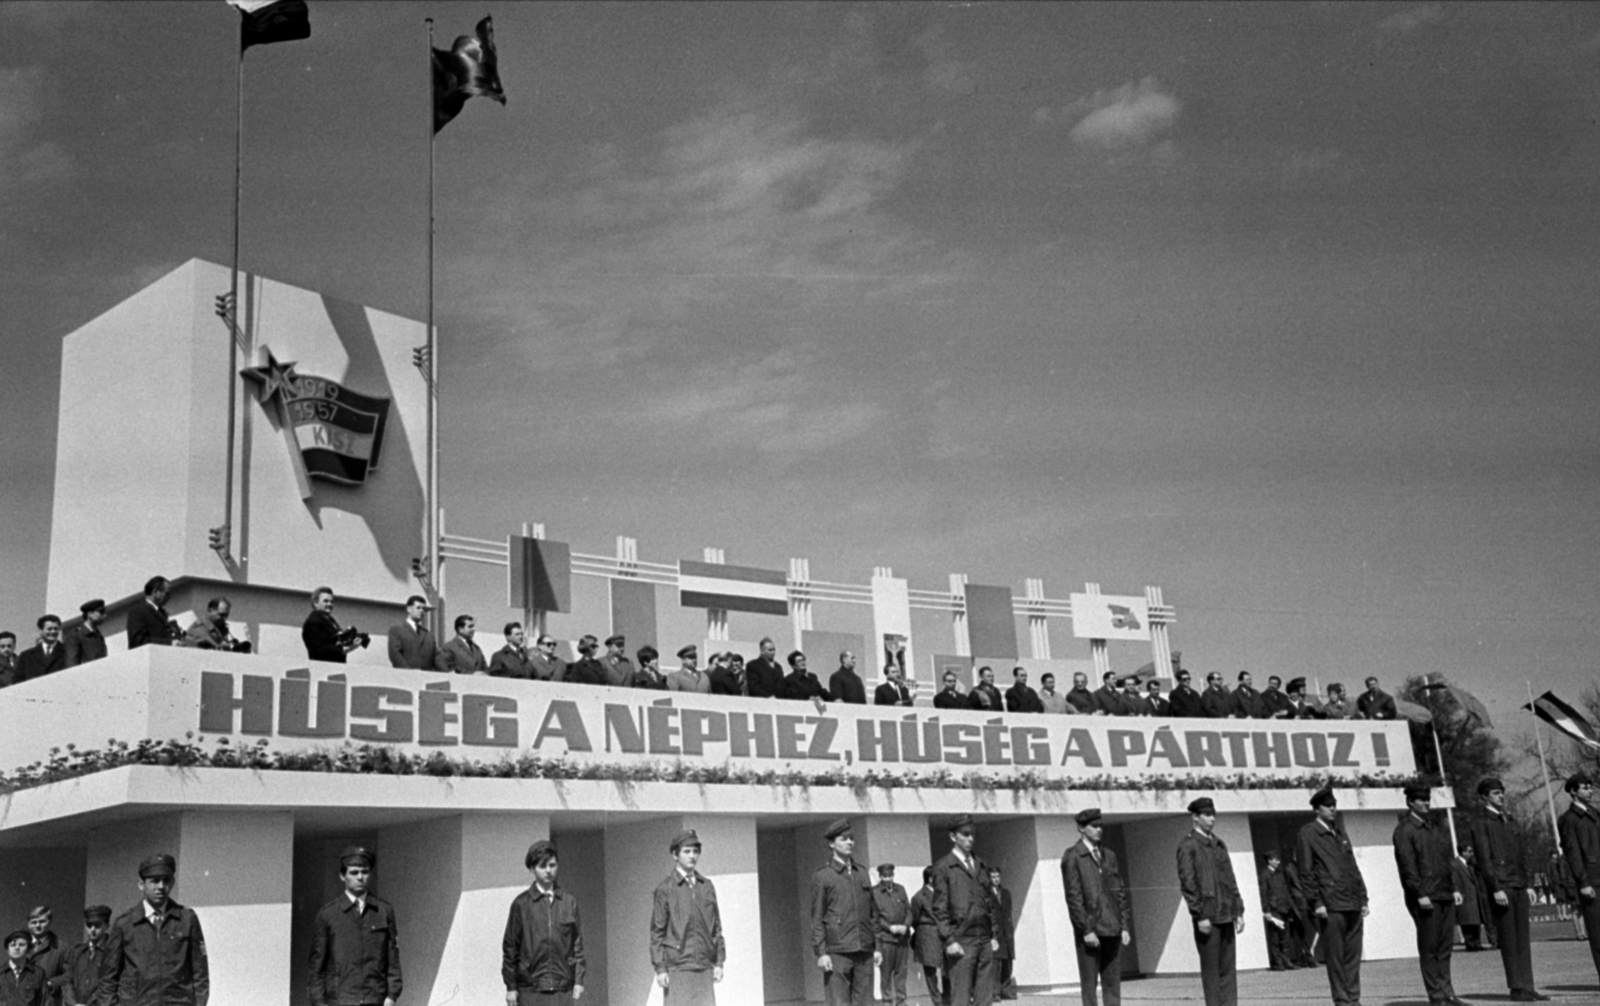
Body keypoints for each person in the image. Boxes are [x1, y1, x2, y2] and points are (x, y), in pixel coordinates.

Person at [96, 854, 209, 1006]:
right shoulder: (125, 923)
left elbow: (200, 972)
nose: (161, 886)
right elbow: (107, 978)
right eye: (154, 881)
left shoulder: (187, 919)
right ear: (141, 885)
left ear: (173, 882)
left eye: (166, 880)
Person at [1469, 777, 1544, 1002]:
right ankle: (1517, 987)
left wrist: (1528, 883)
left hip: (1518, 884)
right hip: (1502, 887)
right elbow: (1484, 858)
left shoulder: (1510, 821)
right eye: (1495, 793)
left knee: (1523, 938)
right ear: (1484, 797)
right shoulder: (1481, 823)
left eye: (1501, 792)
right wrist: (1496, 887)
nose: (1501, 796)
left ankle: (1528, 985)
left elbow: (1522, 855)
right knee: (1509, 939)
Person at [1393, 785, 1465, 1006]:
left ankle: (1448, 991)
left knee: (1445, 947)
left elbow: (1445, 862)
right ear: (1410, 802)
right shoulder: (1405, 830)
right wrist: (1420, 893)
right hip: (1426, 896)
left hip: (1443, 893)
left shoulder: (1434, 829)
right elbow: (1408, 866)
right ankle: (1436, 995)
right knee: (1430, 947)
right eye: (1421, 799)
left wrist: (1453, 888)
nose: (1426, 803)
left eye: (1427, 799)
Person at [1298, 787, 1368, 1006]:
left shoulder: (1339, 833)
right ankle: (1342, 1000)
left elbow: (1352, 867)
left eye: (1334, 805)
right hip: (1331, 904)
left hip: (1352, 902)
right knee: (1336, 957)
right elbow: (1306, 872)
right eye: (1328, 806)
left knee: (1353, 956)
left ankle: (1353, 998)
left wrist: (1363, 897)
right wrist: (1316, 902)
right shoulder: (1308, 834)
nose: (1333, 809)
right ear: (1317, 809)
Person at [308, 846, 401, 1006]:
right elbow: (317, 966)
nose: (360, 877)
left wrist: (392, 995)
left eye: (364, 872)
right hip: (340, 1000)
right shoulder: (328, 914)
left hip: (375, 999)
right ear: (342, 876)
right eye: (354, 872)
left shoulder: (383, 911)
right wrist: (319, 1003)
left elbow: (392, 958)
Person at [1177, 797, 1244, 1006]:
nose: (1212, 819)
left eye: (1213, 814)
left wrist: (1238, 910)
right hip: (1208, 916)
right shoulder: (1188, 845)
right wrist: (1199, 914)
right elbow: (1188, 883)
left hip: (1226, 913)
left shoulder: (1218, 843)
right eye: (1207, 815)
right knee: (1211, 972)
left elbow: (1230, 879)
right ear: (1195, 817)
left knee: (1228, 970)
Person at [502, 839, 585, 1005]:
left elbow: (577, 945)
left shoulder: (569, 902)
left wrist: (578, 981)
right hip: (531, 989)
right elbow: (510, 947)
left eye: (552, 865)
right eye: (542, 866)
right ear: (532, 869)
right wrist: (511, 986)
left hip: (563, 988)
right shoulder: (521, 904)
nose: (548, 870)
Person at [1061, 807, 1130, 1006]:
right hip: (1091, 931)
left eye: (1101, 826)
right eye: (1094, 826)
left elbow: (1120, 892)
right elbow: (1073, 898)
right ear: (1081, 828)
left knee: (1112, 984)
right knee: (1090, 986)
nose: (1099, 830)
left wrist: (1124, 925)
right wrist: (1086, 929)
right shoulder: (1073, 856)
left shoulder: (1109, 856)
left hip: (1112, 928)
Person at [650, 829, 724, 1005]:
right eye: (687, 851)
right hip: (678, 967)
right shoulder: (665, 889)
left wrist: (719, 962)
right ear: (675, 855)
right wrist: (661, 968)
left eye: (695, 851)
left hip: (704, 967)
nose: (692, 856)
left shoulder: (706, 886)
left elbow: (716, 928)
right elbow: (657, 933)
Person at [810, 820, 880, 1005]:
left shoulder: (862, 873)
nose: (849, 843)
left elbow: (873, 913)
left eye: (851, 839)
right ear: (832, 844)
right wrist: (821, 952)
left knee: (866, 1002)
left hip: (864, 950)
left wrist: (877, 946)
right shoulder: (823, 876)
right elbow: (817, 918)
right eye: (843, 839)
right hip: (838, 951)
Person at [931, 814, 997, 1006]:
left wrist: (993, 934)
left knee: (985, 998)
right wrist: (949, 940)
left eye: (972, 835)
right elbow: (939, 908)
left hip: (983, 938)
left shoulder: (980, 864)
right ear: (953, 837)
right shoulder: (944, 867)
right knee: (960, 997)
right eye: (965, 835)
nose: (970, 839)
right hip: (961, 940)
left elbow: (988, 901)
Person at [1557, 772, 1600, 983]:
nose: (1590, 791)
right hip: (1592, 882)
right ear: (1573, 791)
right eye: (1585, 787)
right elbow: (1572, 853)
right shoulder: (1569, 820)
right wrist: (1583, 882)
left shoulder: (1595, 814)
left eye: (1591, 787)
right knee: (1598, 932)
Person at [872, 864, 912, 1006]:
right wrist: (890, 927)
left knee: (901, 973)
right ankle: (887, 1001)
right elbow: (875, 917)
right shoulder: (875, 892)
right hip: (886, 940)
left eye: (890, 875)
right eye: (885, 876)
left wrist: (905, 926)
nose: (888, 879)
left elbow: (909, 910)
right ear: (880, 876)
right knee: (886, 973)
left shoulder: (900, 889)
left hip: (901, 939)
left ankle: (901, 1001)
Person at [908, 868, 949, 1006]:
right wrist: (925, 930)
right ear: (930, 879)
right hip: (928, 935)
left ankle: (948, 997)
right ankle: (937, 1000)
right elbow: (914, 919)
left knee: (948, 966)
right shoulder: (919, 897)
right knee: (930, 969)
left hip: (944, 933)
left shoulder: (942, 894)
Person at [59, 905, 110, 1006]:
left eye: (97, 925)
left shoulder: (113, 952)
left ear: (107, 926)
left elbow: (110, 985)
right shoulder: (76, 951)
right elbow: (67, 981)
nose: (92, 929)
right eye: (89, 925)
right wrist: (73, 1004)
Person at [303, 587, 362, 664]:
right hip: (323, 668)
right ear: (315, 603)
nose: (329, 604)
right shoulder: (313, 622)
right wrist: (347, 648)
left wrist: (349, 640)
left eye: (331, 602)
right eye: (326, 601)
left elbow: (334, 642)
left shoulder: (330, 620)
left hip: (334, 667)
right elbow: (320, 650)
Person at [1258, 851, 1295, 971]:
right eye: (1275, 859)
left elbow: (1285, 891)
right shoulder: (1265, 874)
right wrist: (1266, 910)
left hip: (1284, 907)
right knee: (1275, 937)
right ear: (1269, 860)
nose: (1278, 862)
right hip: (1273, 909)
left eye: (1278, 860)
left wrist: (1290, 907)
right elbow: (1263, 893)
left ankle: (1286, 960)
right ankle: (1278, 962)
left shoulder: (1280, 873)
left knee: (1285, 936)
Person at [22, 908, 63, 1006]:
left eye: (42, 921)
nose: (38, 925)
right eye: (34, 922)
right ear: (28, 924)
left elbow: (69, 976)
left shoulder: (61, 948)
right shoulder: (19, 945)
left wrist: (49, 983)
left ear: (50, 922)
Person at [986, 868, 1016, 1000]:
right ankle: (995, 992)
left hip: (1006, 932)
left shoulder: (1005, 893)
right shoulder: (986, 894)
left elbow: (1008, 912)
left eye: (997, 876)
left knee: (1007, 962)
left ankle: (1006, 990)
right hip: (995, 932)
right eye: (993, 877)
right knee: (995, 963)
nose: (996, 879)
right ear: (989, 878)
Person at [1453, 844, 1488, 951]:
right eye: (1469, 851)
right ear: (1463, 852)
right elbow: (1454, 880)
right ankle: (1470, 944)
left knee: (1476, 921)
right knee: (1467, 921)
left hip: (1474, 896)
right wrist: (1457, 892)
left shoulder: (1471, 865)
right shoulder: (1455, 864)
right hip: (1464, 896)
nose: (1471, 853)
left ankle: (1477, 943)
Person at [387, 595, 437, 670]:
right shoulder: (396, 630)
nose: (422, 611)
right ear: (409, 609)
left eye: (424, 609)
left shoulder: (428, 635)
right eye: (418, 608)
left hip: (427, 678)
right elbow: (395, 655)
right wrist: (410, 673)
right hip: (406, 678)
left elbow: (436, 658)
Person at [126, 576, 175, 649]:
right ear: (155, 592)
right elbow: (137, 641)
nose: (169, 597)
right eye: (167, 593)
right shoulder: (138, 611)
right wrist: (169, 643)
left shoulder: (162, 613)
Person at [16, 616, 66, 683]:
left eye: (56, 629)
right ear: (40, 631)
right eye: (49, 629)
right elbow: (17, 681)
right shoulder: (26, 656)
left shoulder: (68, 651)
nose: (53, 631)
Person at [1, 929, 43, 1006]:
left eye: (21, 945)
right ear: (7, 949)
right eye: (13, 945)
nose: (17, 948)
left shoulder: (38, 972)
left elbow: (46, 1001)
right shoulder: (1, 973)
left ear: (28, 949)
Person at [62, 600, 108, 667]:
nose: (104, 615)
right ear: (90, 614)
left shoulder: (99, 636)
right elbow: (71, 665)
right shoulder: (75, 635)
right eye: (101, 612)